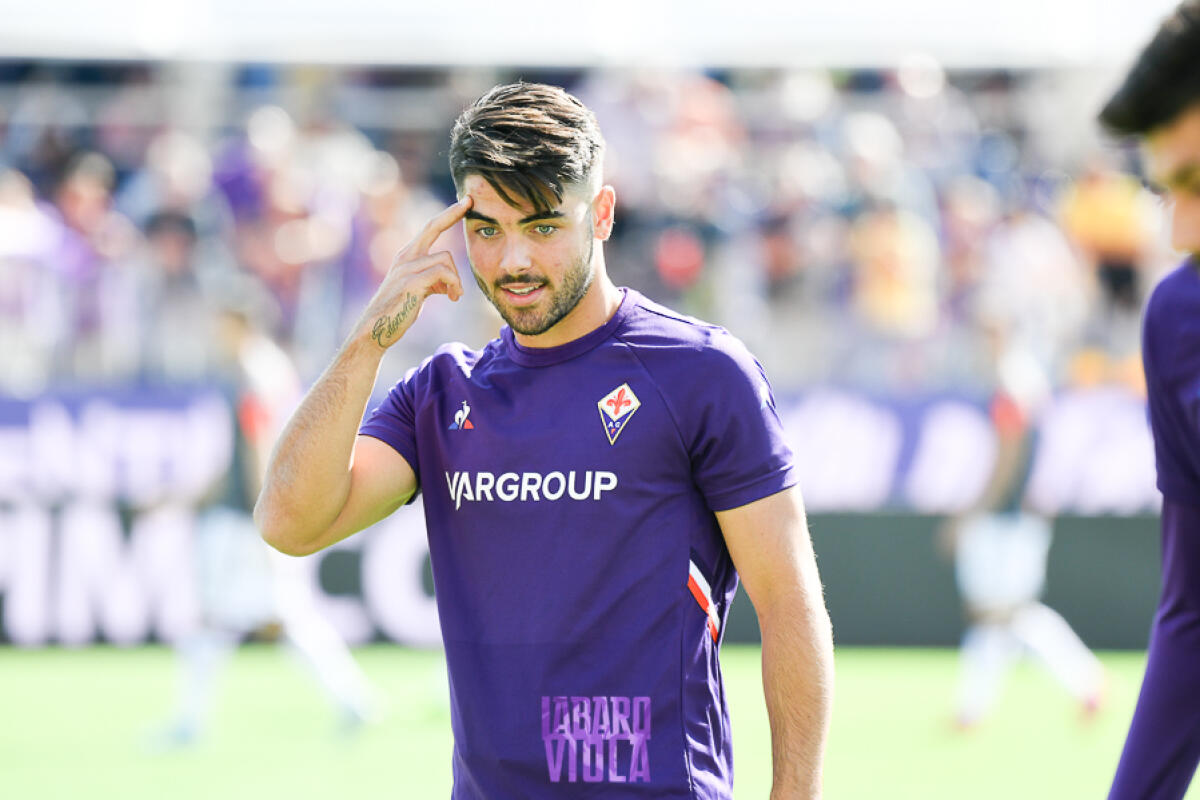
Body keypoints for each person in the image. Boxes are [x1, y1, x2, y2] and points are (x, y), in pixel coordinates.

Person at [255, 82, 834, 798]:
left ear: (602, 213)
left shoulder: (702, 373)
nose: (513, 261)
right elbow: (288, 520)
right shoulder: (442, 394)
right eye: (487, 229)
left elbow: (789, 603)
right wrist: (372, 336)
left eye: (542, 225)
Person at [152, 283, 378, 749]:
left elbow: (259, 447)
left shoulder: (253, 371)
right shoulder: (274, 368)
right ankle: (355, 700)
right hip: (250, 512)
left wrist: (265, 513)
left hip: (242, 520)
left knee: (220, 620)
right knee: (283, 617)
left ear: (238, 322)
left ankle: (188, 723)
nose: (215, 333)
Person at [1099, 2, 1200, 797]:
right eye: (1168, 191)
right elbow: (1193, 608)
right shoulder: (1177, 318)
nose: (1179, 232)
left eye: (1197, 180)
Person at [943, 317, 1103, 729]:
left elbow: (1007, 458)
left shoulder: (1012, 381)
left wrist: (974, 511)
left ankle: (1086, 684)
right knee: (1005, 615)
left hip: (1007, 519)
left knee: (1003, 614)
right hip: (1019, 515)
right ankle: (972, 709)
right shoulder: (1028, 380)